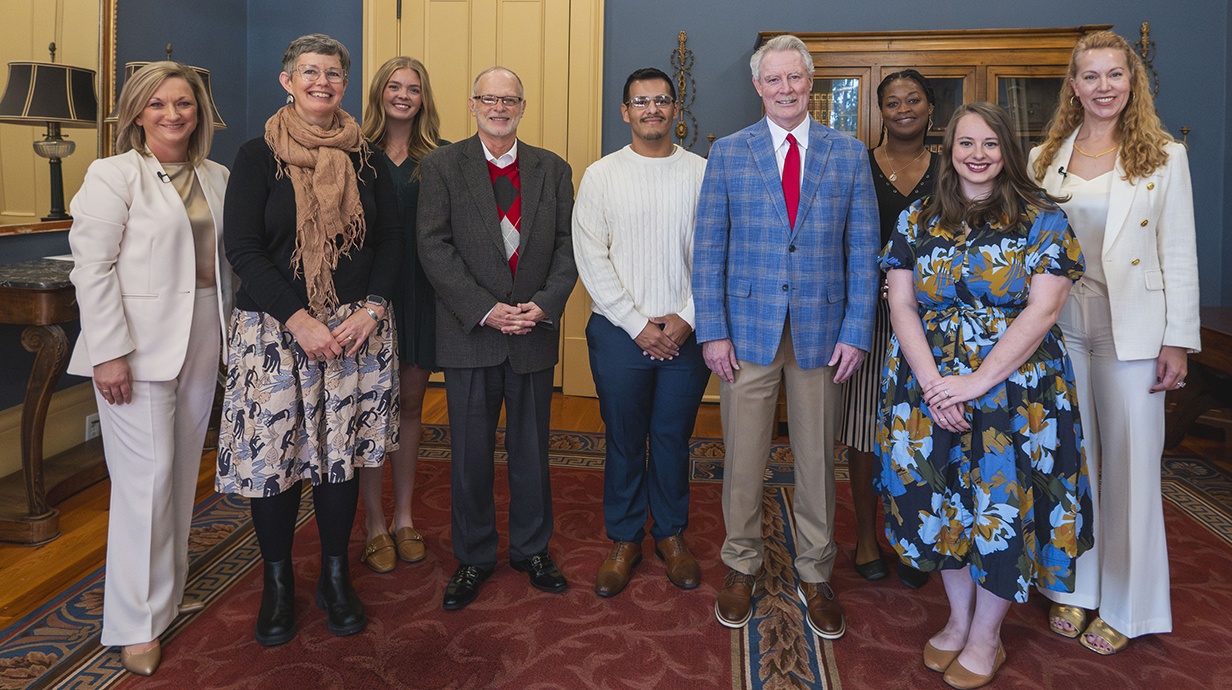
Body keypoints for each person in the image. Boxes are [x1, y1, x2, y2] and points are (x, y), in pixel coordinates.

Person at [876, 101, 1092, 689]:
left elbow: (1043, 309)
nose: (978, 155)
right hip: (926, 385)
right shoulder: (919, 215)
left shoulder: (1042, 217)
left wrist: (974, 383)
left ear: (1007, 151)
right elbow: (901, 304)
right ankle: (957, 618)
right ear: (950, 151)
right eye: (966, 143)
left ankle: (987, 635)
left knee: (1001, 505)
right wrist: (934, 387)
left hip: (1015, 390)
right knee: (941, 499)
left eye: (990, 144)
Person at [216, 34, 402, 646]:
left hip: (355, 333)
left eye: (333, 74)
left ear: (345, 84)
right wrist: (299, 319)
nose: (322, 82)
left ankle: (335, 576)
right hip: (276, 332)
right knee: (276, 462)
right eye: (310, 72)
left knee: (337, 458)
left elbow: (390, 243)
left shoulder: (367, 159)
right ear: (288, 81)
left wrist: (372, 309)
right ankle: (277, 583)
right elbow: (243, 248)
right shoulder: (256, 156)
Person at [693, 34, 879, 640]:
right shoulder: (728, 152)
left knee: (817, 458)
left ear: (810, 81)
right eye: (773, 79)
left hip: (823, 333)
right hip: (746, 332)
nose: (785, 88)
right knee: (743, 457)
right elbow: (709, 250)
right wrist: (713, 331)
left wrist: (856, 331)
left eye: (794, 77)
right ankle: (741, 564)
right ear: (757, 86)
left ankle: (815, 572)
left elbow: (863, 251)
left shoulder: (848, 153)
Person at [1029, 29, 1200, 655]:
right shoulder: (1045, 157)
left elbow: (1178, 252)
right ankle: (1077, 587)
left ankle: (1130, 606)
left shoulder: (1164, 156)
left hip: (1135, 327)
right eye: (1091, 76)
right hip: (1061, 327)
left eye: (1115, 74)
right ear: (1073, 86)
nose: (1104, 87)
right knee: (1072, 464)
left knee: (1132, 467)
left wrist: (1177, 340)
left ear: (1133, 82)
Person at [67, 61, 231, 676]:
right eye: (158, 104)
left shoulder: (216, 176)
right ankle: (134, 623)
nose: (172, 114)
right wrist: (108, 352)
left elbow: (226, 266)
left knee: (182, 472)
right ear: (137, 113)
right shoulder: (113, 174)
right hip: (135, 347)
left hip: (204, 337)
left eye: (184, 103)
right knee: (146, 481)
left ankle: (166, 595)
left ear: (199, 111)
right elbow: (92, 269)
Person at [417, 66, 577, 610]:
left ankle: (532, 550)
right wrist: (485, 309)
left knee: (532, 452)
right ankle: (474, 556)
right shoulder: (441, 167)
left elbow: (568, 245)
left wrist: (545, 304)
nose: (499, 107)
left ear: (522, 107)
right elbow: (433, 246)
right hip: (471, 334)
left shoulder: (552, 169)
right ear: (472, 104)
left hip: (532, 329)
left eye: (509, 100)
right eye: (489, 98)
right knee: (470, 456)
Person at [573, 67, 710, 597]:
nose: (652, 109)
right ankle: (626, 537)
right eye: (640, 101)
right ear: (625, 111)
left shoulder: (702, 172)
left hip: (686, 331)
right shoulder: (601, 175)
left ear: (675, 109)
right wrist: (637, 325)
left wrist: (688, 317)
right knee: (625, 437)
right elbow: (591, 257)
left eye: (661, 100)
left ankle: (671, 535)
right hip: (618, 332)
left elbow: (717, 252)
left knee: (673, 437)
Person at [842, 69, 939, 590]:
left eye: (914, 100)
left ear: (930, 107)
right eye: (893, 102)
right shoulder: (856, 163)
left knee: (921, 431)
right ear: (880, 111)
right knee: (864, 431)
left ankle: (916, 538)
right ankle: (864, 536)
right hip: (866, 316)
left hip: (931, 323)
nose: (904, 109)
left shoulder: (949, 169)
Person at [357, 56, 446, 573]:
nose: (403, 95)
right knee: (373, 408)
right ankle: (374, 523)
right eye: (394, 86)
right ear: (379, 93)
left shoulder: (440, 157)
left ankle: (405, 517)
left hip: (421, 293)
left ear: (423, 98)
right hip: (369, 297)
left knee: (410, 404)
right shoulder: (353, 152)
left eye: (413, 88)